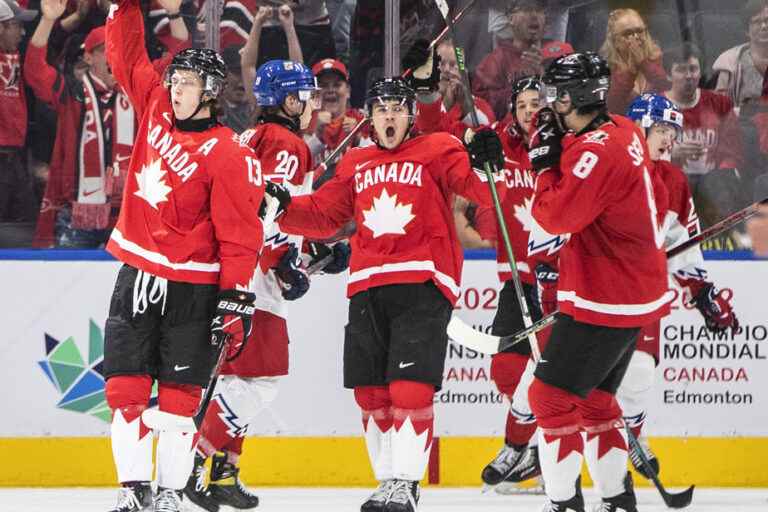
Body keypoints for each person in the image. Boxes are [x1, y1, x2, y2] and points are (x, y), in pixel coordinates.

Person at [272, 76, 506, 512]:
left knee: (410, 388)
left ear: (411, 114)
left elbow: (482, 189)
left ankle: (405, 480)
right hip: (366, 284)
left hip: (422, 280)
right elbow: (324, 214)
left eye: (398, 108)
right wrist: (282, 207)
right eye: (381, 110)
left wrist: (490, 161)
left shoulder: (439, 148)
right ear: (370, 118)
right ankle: (388, 484)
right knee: (370, 392)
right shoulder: (356, 162)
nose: (389, 117)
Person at [101, 0, 266, 510]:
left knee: (177, 404)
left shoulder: (229, 152)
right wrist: (126, 5)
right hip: (139, 274)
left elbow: (240, 235)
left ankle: (170, 493)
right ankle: (134, 493)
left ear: (211, 93)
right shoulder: (153, 103)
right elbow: (126, 54)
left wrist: (236, 299)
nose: (175, 88)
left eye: (188, 82)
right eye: (175, 80)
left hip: (193, 288)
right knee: (125, 393)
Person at [183, 58, 349, 512]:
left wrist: (313, 253)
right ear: (289, 100)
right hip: (255, 276)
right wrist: (281, 263)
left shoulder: (249, 137)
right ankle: (194, 464)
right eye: (306, 95)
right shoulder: (286, 142)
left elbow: (273, 210)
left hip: (230, 268)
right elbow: (266, 209)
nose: (312, 104)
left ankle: (222, 473)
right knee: (259, 382)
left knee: (237, 379)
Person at [526, 52, 671, 512]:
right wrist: (556, 149)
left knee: (547, 398)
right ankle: (617, 499)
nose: (550, 104)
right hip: (630, 291)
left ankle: (563, 503)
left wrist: (544, 166)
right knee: (596, 403)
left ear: (574, 97)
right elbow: (587, 166)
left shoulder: (597, 152)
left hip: (605, 296)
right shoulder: (623, 130)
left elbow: (555, 215)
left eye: (556, 96)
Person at [619, 93, 739, 480]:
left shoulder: (674, 181)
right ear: (638, 128)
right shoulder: (612, 167)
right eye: (661, 129)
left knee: (638, 374)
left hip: (644, 292)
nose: (670, 138)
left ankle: (633, 437)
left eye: (673, 130)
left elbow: (681, 244)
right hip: (594, 287)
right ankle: (546, 458)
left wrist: (703, 295)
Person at [27, 0, 188, 248]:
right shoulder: (73, 93)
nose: (115, 53)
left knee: (124, 285)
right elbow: (35, 71)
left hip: (128, 210)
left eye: (120, 48)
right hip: (78, 216)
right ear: (89, 57)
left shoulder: (139, 90)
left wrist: (174, 13)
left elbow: (179, 60)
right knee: (65, 283)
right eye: (105, 49)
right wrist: (48, 20)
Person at [474, 76, 562, 493]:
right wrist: (478, 141)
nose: (530, 110)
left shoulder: (560, 148)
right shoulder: (503, 148)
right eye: (523, 104)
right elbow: (471, 160)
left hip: (556, 279)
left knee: (551, 373)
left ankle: (544, 455)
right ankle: (533, 447)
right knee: (506, 367)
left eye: (537, 102)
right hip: (516, 275)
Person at [662, 43, 744, 229]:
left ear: (700, 72)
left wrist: (718, 174)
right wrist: (671, 154)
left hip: (714, 182)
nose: (689, 76)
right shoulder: (655, 106)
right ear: (668, 75)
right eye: (681, 70)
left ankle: (725, 240)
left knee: (720, 182)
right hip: (673, 182)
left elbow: (733, 154)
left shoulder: (720, 104)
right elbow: (644, 156)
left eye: (693, 69)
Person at [472, 0, 573, 120]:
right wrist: (523, 83)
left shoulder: (562, 53)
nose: (534, 15)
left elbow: (570, 100)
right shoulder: (494, 62)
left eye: (539, 9)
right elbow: (483, 111)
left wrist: (544, 79)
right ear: (511, 19)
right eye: (526, 9)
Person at [0, 0, 38, 223]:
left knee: (28, 222)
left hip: (13, 155)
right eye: (17, 26)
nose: (22, 33)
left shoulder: (14, 55)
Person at [600, 8, 670, 115]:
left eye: (640, 31)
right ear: (614, 40)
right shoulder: (607, 69)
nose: (636, 37)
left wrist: (643, 63)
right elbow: (613, 107)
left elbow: (666, 87)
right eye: (628, 34)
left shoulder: (658, 58)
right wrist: (631, 70)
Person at [305, 57, 365, 164]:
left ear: (348, 91)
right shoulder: (305, 121)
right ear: (314, 93)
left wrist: (358, 137)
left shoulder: (362, 121)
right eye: (323, 85)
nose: (331, 90)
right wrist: (317, 134)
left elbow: (377, 158)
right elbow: (299, 161)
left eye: (337, 85)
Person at [713, 0, 768, 110]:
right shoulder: (729, 63)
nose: (764, 26)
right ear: (747, 30)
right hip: (743, 125)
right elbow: (719, 108)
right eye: (756, 22)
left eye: (767, 20)